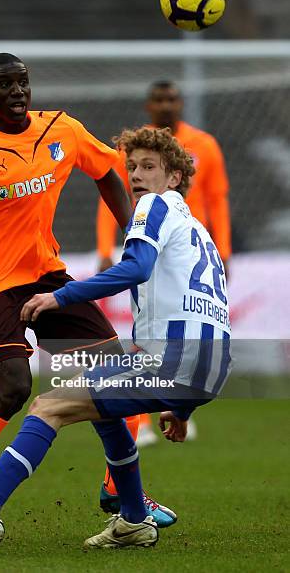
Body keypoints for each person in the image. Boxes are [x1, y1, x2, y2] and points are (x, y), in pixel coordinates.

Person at [0, 126, 231, 552]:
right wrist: (182, 408)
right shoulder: (197, 231)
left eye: (148, 167)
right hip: (211, 365)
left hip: (173, 359)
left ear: (175, 177)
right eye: (131, 168)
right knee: (102, 389)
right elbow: (203, 311)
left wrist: (60, 296)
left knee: (48, 406)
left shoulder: (152, 208)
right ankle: (132, 517)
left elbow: (136, 270)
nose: (136, 176)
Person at [0, 53, 175, 539]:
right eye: (5, 85)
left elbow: (106, 171)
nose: (17, 92)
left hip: (47, 277)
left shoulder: (60, 129)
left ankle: (121, 494)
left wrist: (132, 235)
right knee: (14, 387)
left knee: (114, 375)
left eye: (23, 83)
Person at [97, 80, 230, 452]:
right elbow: (114, 195)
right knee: (147, 335)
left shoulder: (204, 145)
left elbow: (217, 200)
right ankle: (143, 417)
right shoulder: (136, 151)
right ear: (148, 106)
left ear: (181, 103)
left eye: (171, 98)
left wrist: (224, 251)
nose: (165, 104)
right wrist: (106, 245)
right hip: (149, 241)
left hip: (187, 252)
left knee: (179, 333)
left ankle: (175, 407)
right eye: (159, 99)